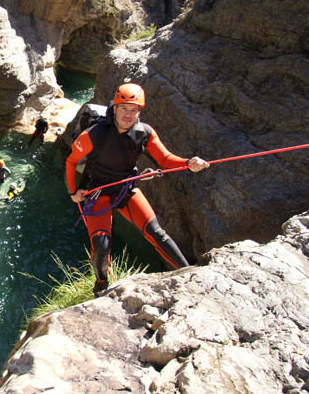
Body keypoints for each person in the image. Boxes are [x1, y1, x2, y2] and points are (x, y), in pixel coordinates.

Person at [65, 83, 209, 297]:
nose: (128, 114)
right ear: (115, 108)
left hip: (126, 190)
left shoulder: (144, 133)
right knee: (101, 244)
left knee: (157, 234)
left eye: (134, 110)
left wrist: (189, 163)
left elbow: (165, 159)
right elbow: (71, 161)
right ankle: (101, 281)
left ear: (139, 112)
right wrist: (73, 192)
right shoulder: (93, 134)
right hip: (98, 192)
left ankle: (187, 274)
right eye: (124, 108)